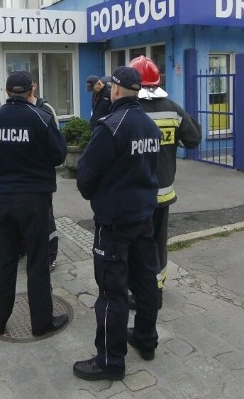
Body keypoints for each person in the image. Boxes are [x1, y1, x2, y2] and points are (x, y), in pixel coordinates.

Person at [73, 66, 162, 381]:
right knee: (145, 280)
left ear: (115, 89)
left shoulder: (111, 126)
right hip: (143, 216)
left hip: (114, 222)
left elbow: (85, 175)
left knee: (112, 291)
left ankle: (110, 361)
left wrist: (96, 193)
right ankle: (146, 339)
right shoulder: (150, 127)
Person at [0, 71, 68, 336]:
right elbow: (58, 155)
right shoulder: (41, 118)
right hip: (34, 200)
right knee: (37, 262)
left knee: (4, 261)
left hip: (3, 200)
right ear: (31, 90)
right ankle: (41, 323)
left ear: (7, 92)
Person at [127, 56, 202, 309]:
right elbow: (193, 139)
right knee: (158, 245)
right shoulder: (173, 108)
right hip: (163, 194)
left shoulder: (128, 111)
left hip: (135, 197)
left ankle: (139, 293)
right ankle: (156, 292)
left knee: (136, 246)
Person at [33, 83, 60, 269]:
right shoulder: (13, 111)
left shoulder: (45, 109)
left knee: (47, 218)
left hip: (43, 179)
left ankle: (50, 255)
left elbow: (58, 146)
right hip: (26, 182)